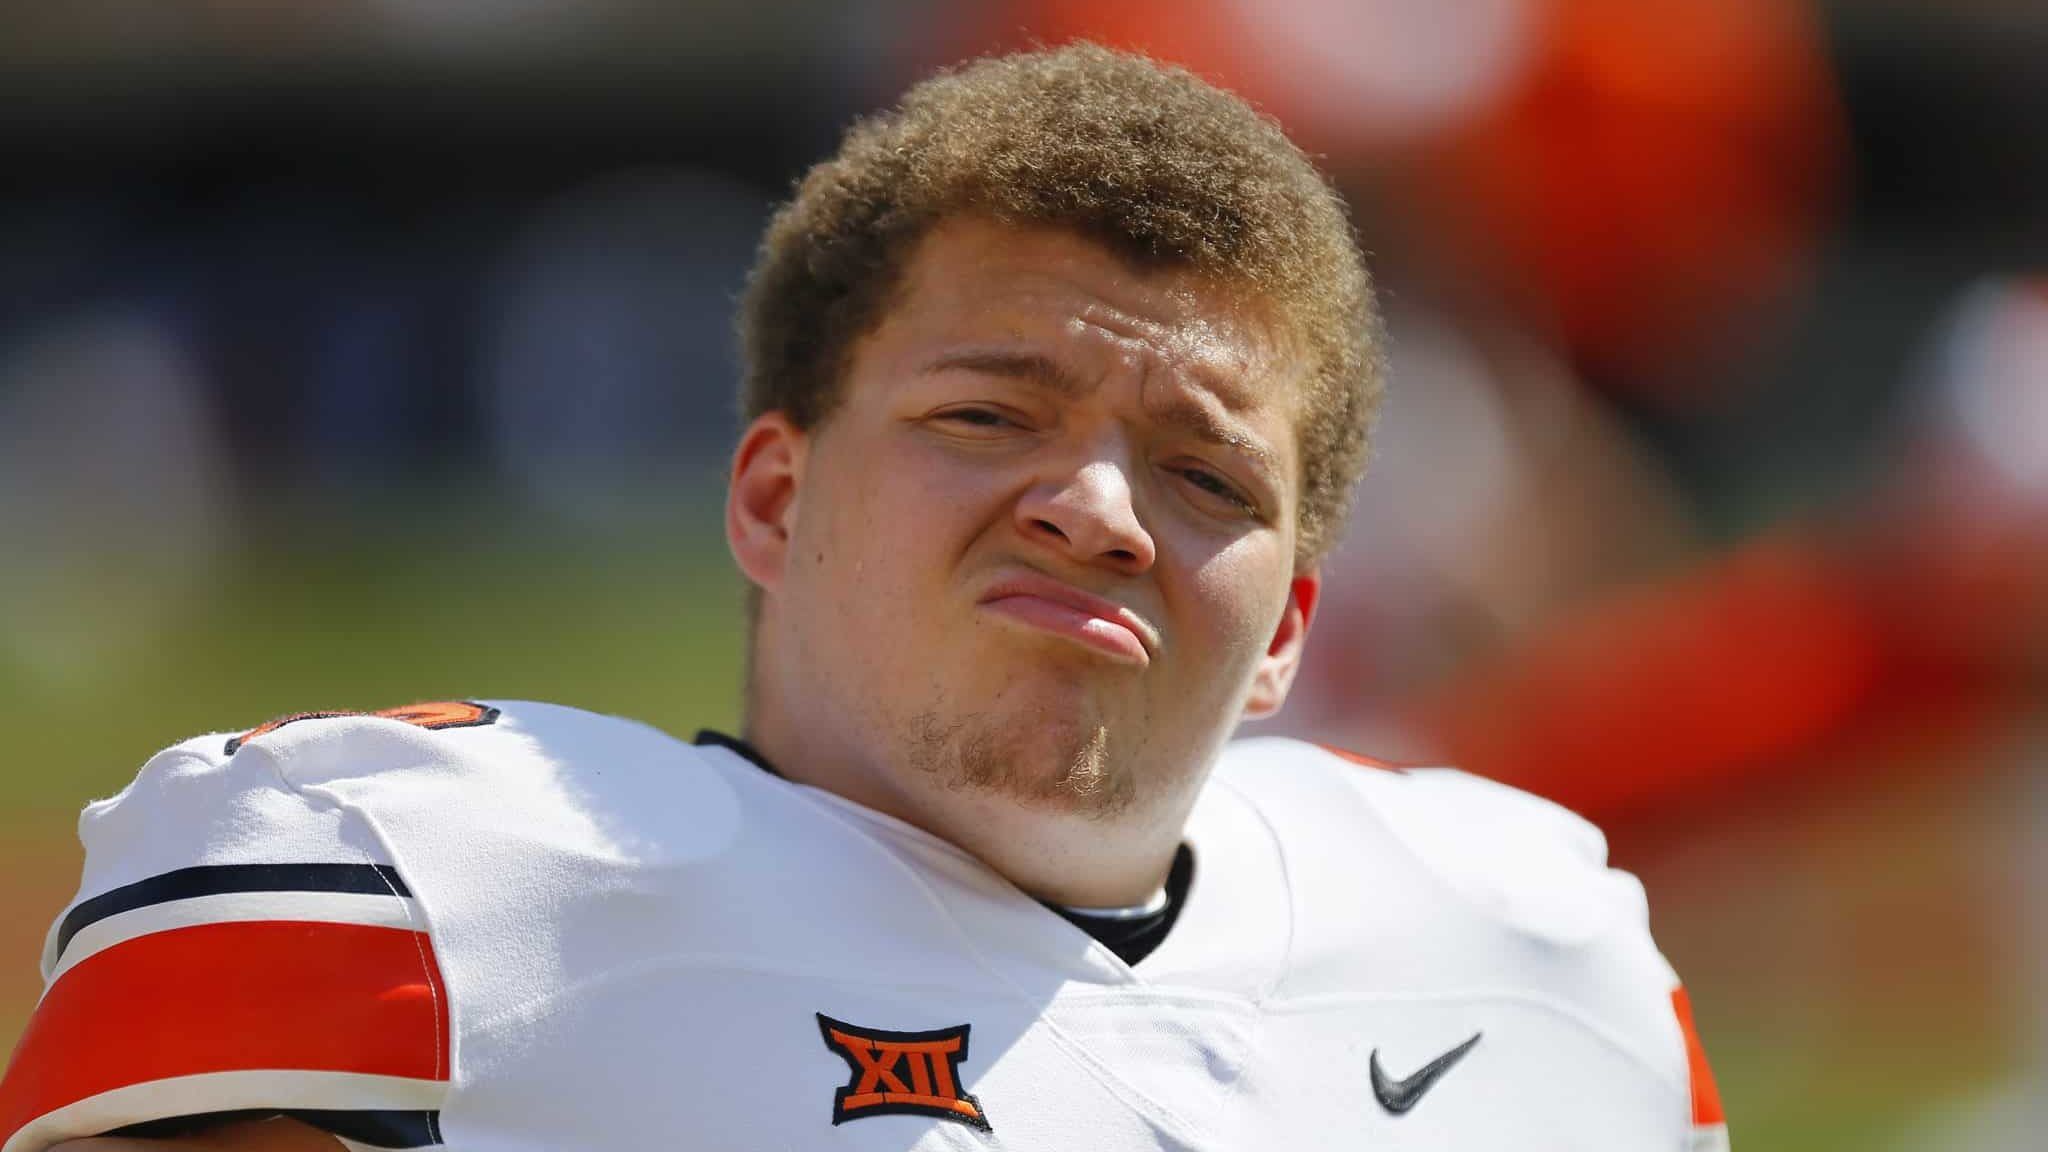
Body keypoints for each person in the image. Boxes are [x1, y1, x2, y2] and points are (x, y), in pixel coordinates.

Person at [0, 44, 1726, 1151]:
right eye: (990, 418)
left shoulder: (1541, 974)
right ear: (773, 495)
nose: (1102, 510)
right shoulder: (430, 915)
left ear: (1288, 633)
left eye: (1206, 477)